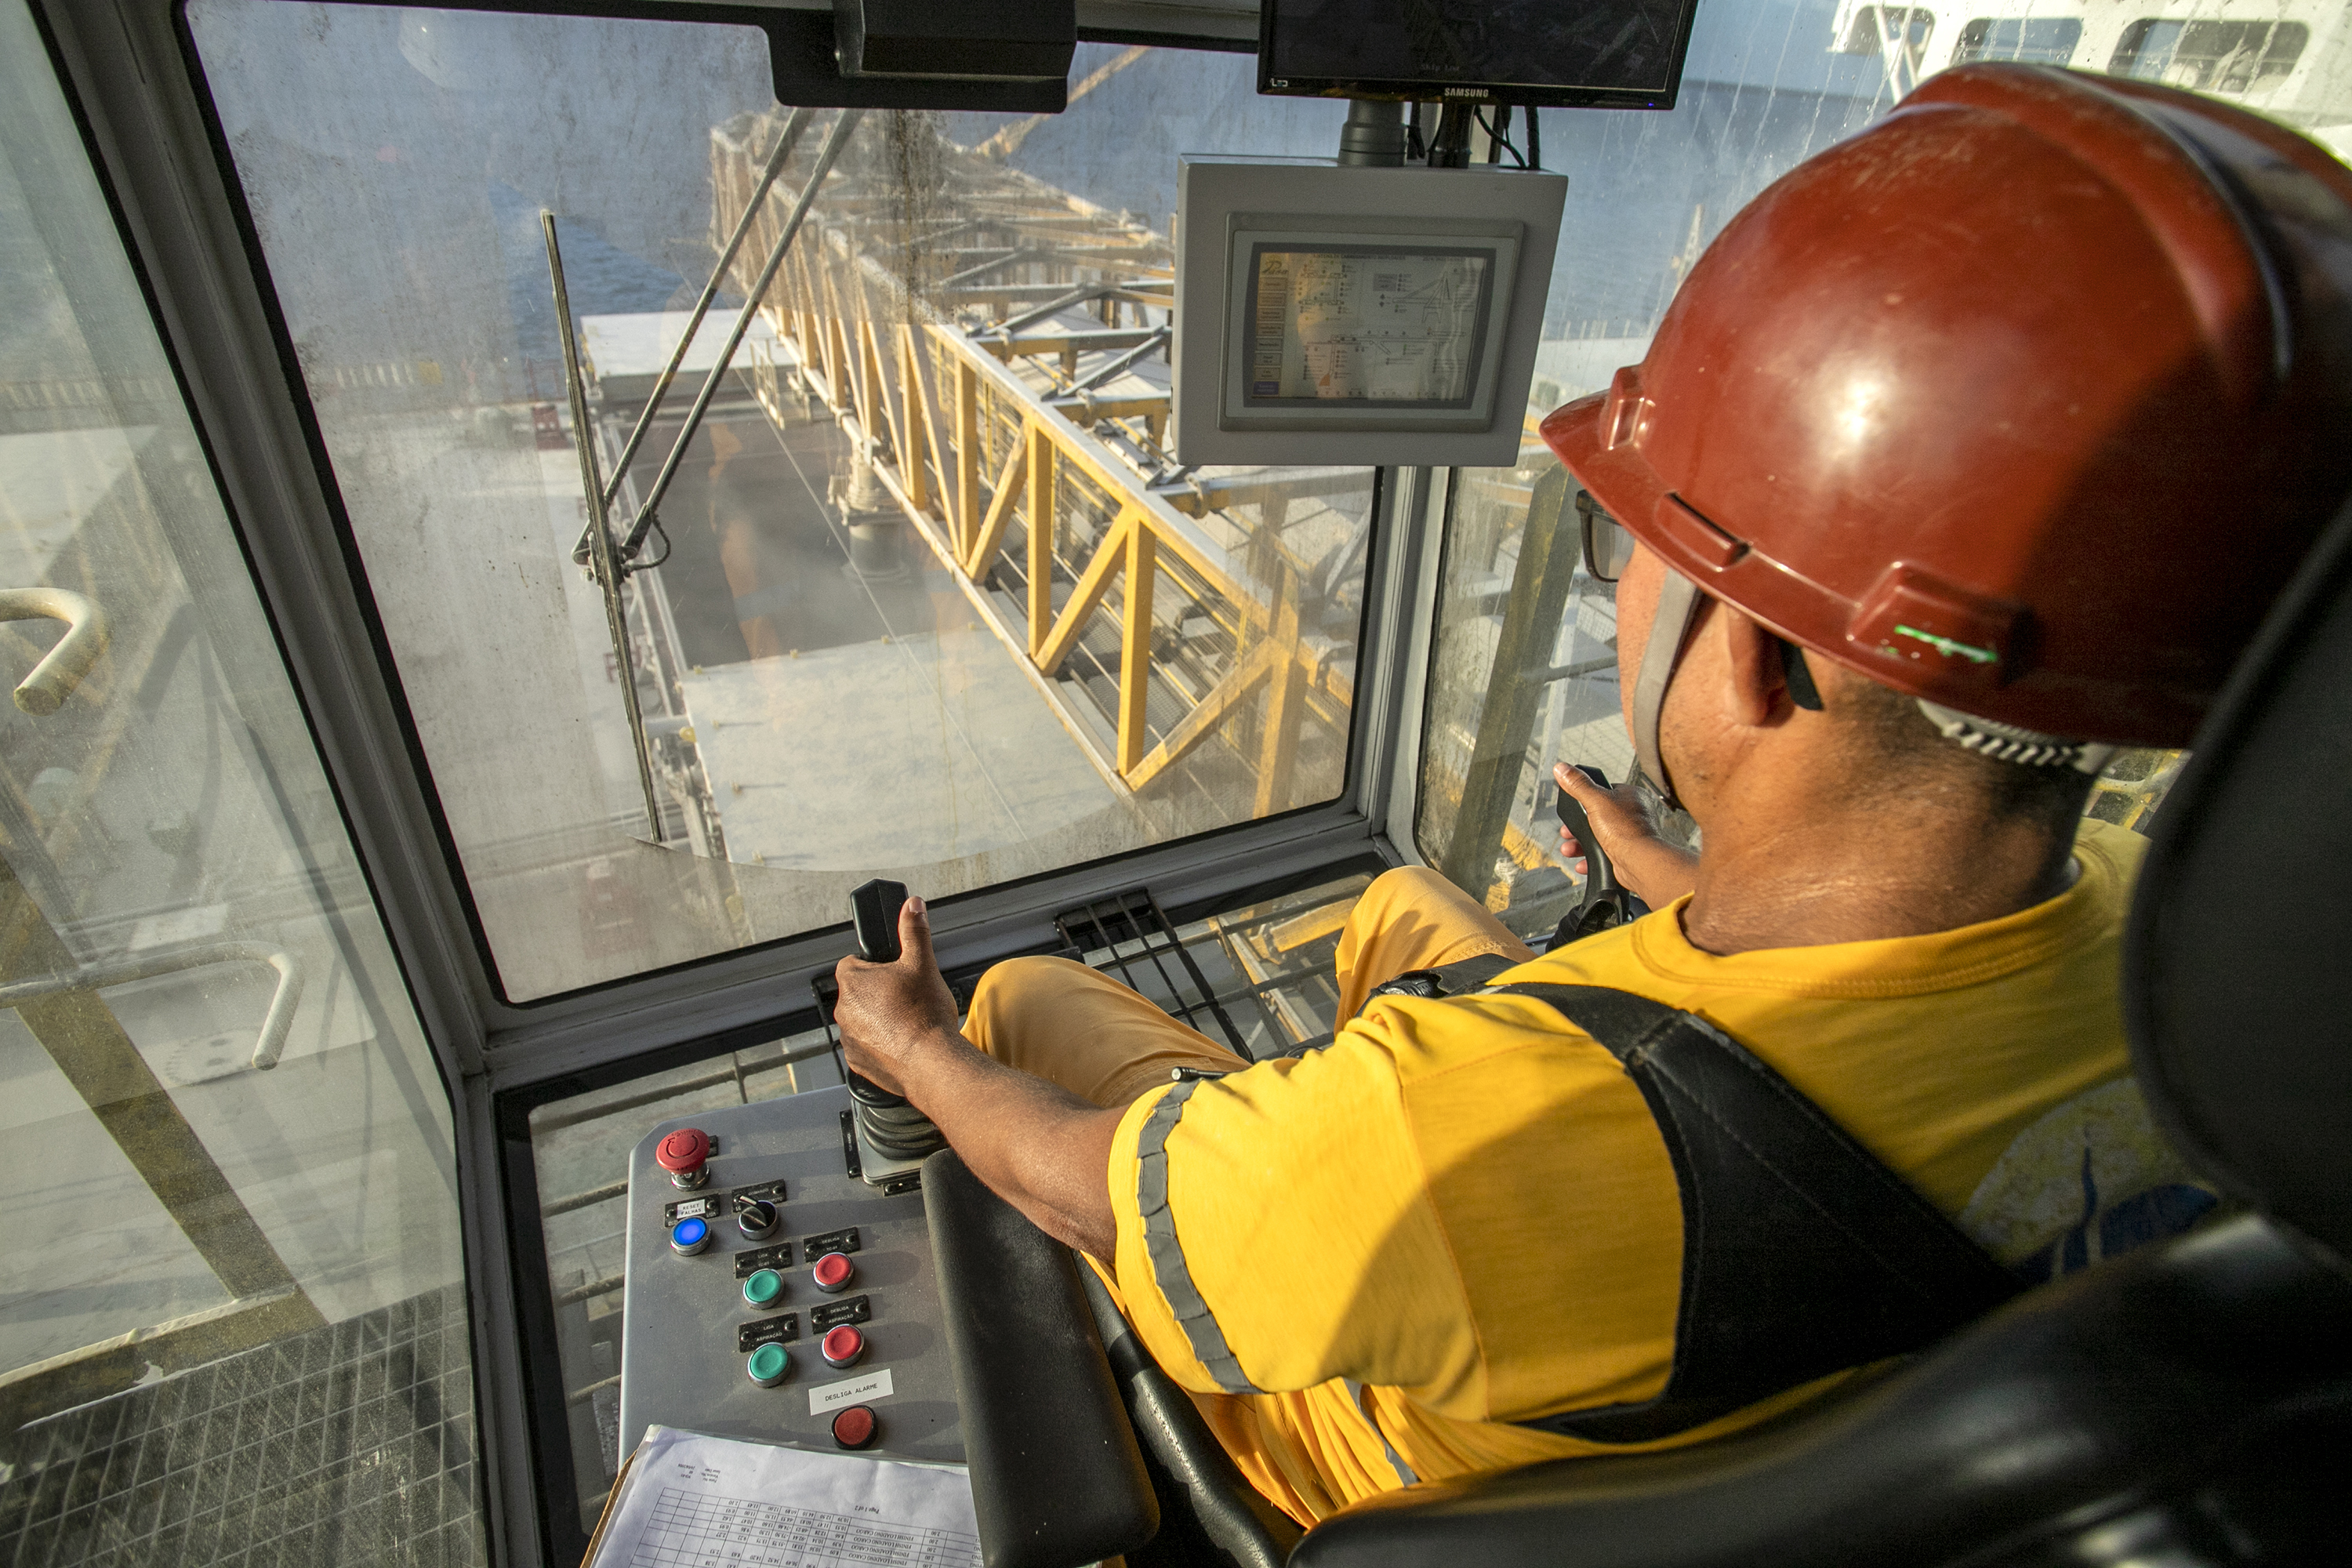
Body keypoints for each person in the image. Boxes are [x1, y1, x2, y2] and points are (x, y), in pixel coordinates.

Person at [832, 64, 2352, 1527]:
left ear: (1750, 657)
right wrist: (1699, 891)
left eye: (1629, 549)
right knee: (1402, 901)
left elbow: (1085, 1193)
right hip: (1794, 1371)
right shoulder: (2222, 962)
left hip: (1341, 1454)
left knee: (1021, 1002)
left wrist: (911, 1047)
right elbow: (1903, 1014)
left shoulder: (1461, 1130)